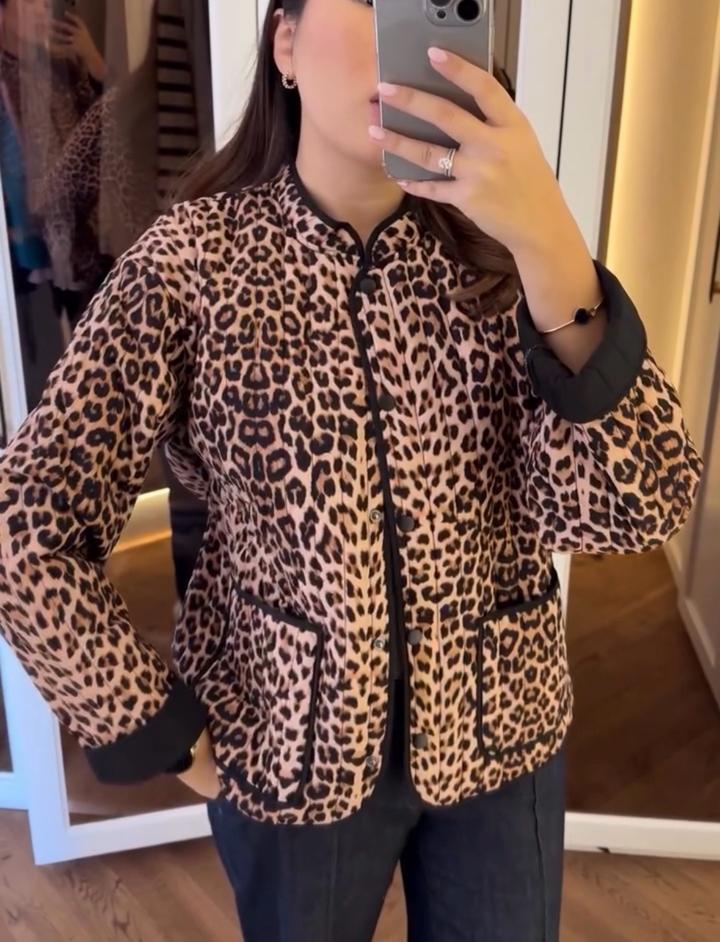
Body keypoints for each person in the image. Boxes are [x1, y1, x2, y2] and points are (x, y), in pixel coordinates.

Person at [0, 1, 705, 940]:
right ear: (285, 44)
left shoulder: (510, 250)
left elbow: (632, 509)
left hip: (501, 733)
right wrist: (160, 730)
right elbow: (27, 527)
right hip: (287, 748)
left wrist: (550, 247)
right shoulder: (193, 265)